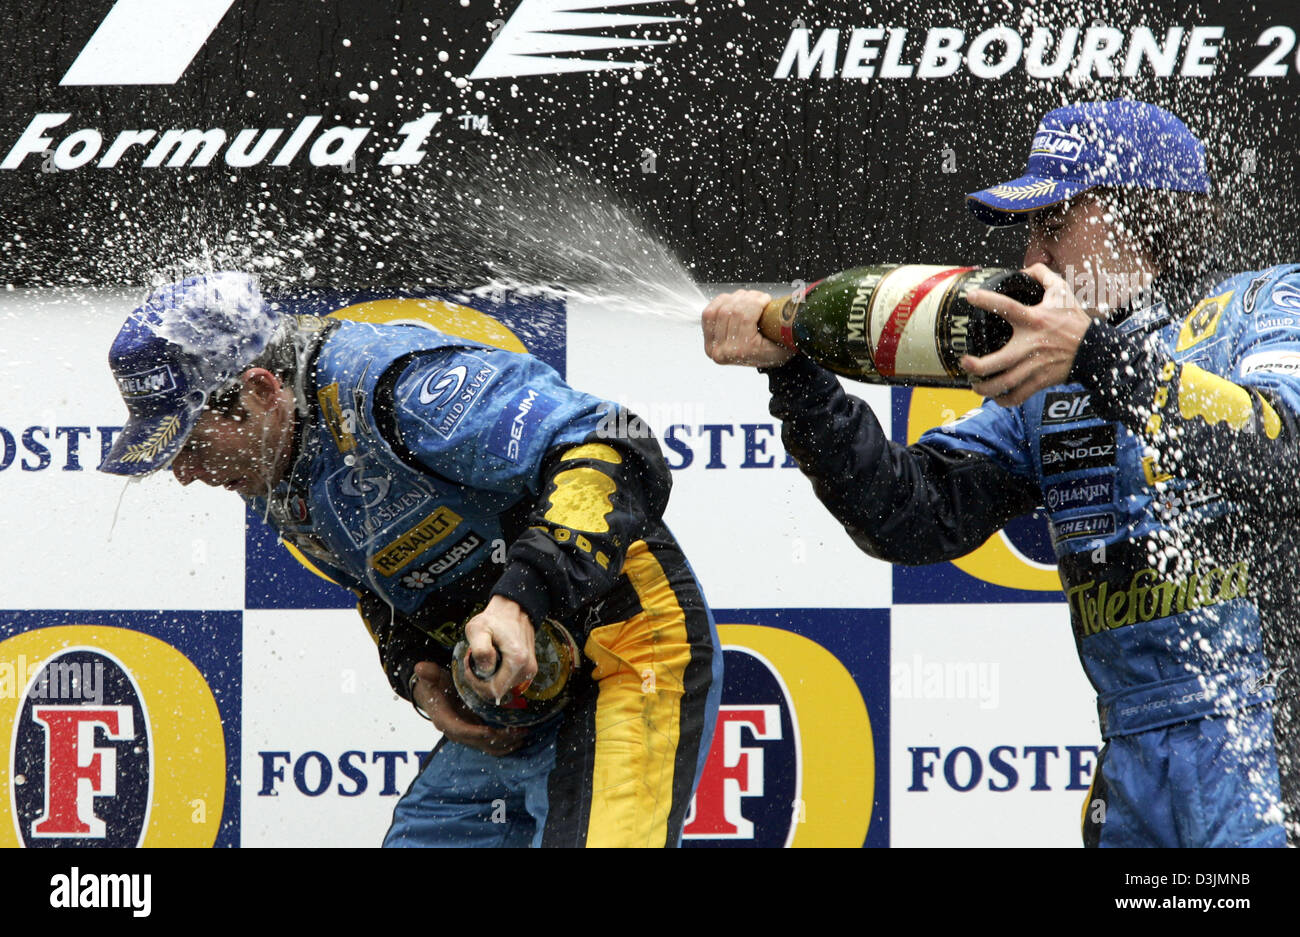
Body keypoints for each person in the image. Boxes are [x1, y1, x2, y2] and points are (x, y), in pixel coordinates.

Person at [702, 100, 1300, 848]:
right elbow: (911, 512)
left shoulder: (1265, 304)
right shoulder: (1047, 382)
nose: (1031, 260)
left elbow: (1282, 451)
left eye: (1055, 225)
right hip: (1136, 770)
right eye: (1030, 230)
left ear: (1141, 217)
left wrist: (1093, 356)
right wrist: (798, 380)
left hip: (1270, 745)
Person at [99, 272, 721, 847]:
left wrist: (516, 599)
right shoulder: (268, 463)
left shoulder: (394, 385)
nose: (184, 474)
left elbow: (612, 438)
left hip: (626, 641)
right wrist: (416, 672)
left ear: (261, 391)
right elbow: (379, 578)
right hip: (517, 696)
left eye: (190, 442)